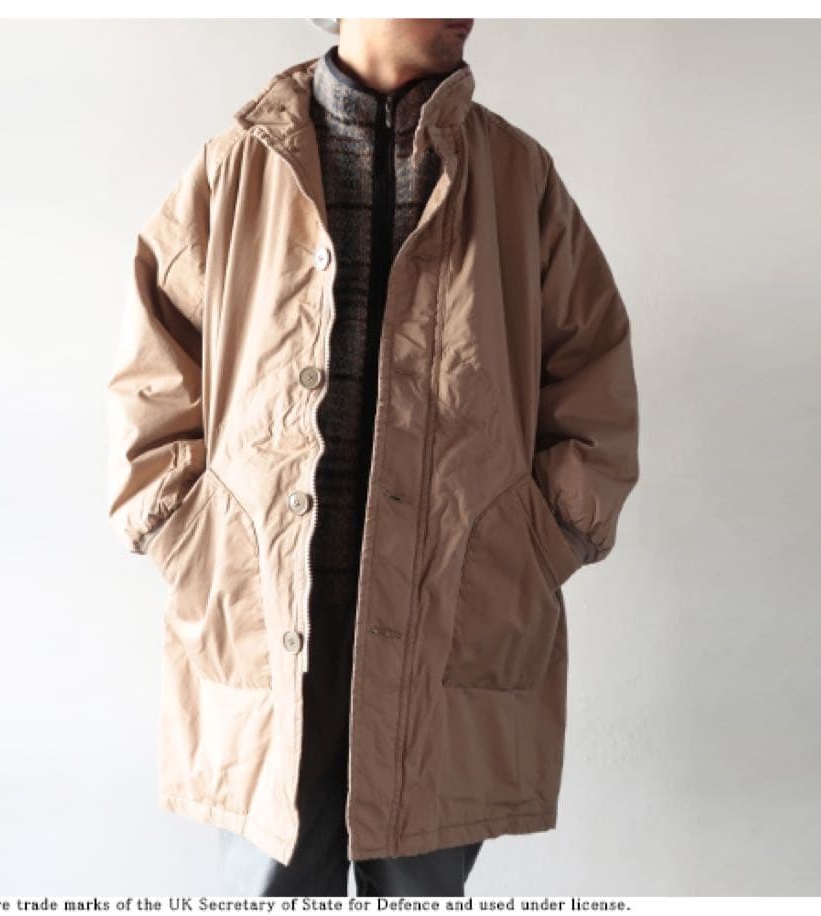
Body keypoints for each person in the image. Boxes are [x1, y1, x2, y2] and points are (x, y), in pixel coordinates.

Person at [105, 17, 640, 898]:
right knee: (272, 889)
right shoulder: (238, 168)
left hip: (449, 618)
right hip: (270, 621)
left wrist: (534, 544)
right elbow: (151, 382)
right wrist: (192, 538)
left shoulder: (517, 179)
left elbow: (594, 383)